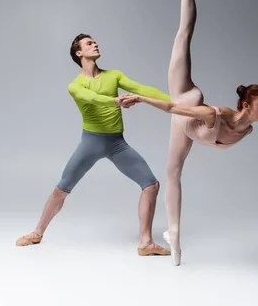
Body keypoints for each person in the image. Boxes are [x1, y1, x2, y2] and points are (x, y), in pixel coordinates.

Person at [121, 0, 258, 266]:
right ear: (246, 104)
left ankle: (174, 241)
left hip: (188, 129)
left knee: (173, 171)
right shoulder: (213, 115)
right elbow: (174, 110)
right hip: (184, 98)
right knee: (183, 34)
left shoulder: (245, 130)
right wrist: (140, 98)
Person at [15, 33, 171, 256]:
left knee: (151, 185)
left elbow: (141, 89)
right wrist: (116, 101)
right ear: (79, 53)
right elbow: (92, 98)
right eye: (89, 43)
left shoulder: (114, 75)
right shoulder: (75, 85)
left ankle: (146, 243)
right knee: (62, 189)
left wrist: (175, 102)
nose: (95, 44)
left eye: (95, 42)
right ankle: (37, 232)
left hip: (118, 144)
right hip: (91, 143)